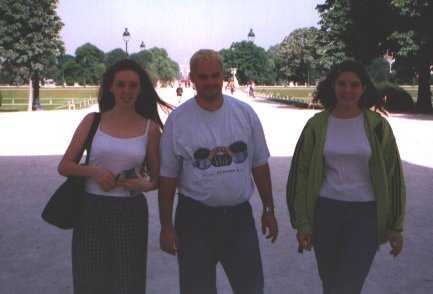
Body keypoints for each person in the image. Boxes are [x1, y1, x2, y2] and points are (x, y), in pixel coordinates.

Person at [159, 49, 278, 294]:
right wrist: (166, 225)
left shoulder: (245, 114)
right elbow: (168, 177)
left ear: (223, 76)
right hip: (194, 220)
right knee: (197, 288)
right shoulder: (178, 120)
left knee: (250, 287)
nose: (210, 82)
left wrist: (268, 209)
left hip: (238, 218)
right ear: (192, 78)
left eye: (215, 75)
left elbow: (259, 165)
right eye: (203, 77)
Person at [286, 60, 406, 294]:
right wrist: (302, 223)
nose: (347, 90)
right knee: (330, 283)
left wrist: (395, 226)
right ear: (332, 86)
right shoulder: (316, 125)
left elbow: (393, 177)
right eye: (342, 84)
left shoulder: (378, 126)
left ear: (363, 89)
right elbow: (300, 175)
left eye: (354, 84)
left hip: (366, 214)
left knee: (349, 285)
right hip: (326, 211)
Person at [57, 59, 171, 294]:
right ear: (110, 87)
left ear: (140, 90)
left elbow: (158, 179)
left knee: (129, 280)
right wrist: (95, 171)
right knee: (89, 280)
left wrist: (144, 184)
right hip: (91, 209)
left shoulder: (150, 129)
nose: (126, 91)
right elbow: (65, 166)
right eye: (121, 85)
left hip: (130, 210)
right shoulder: (92, 121)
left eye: (132, 86)